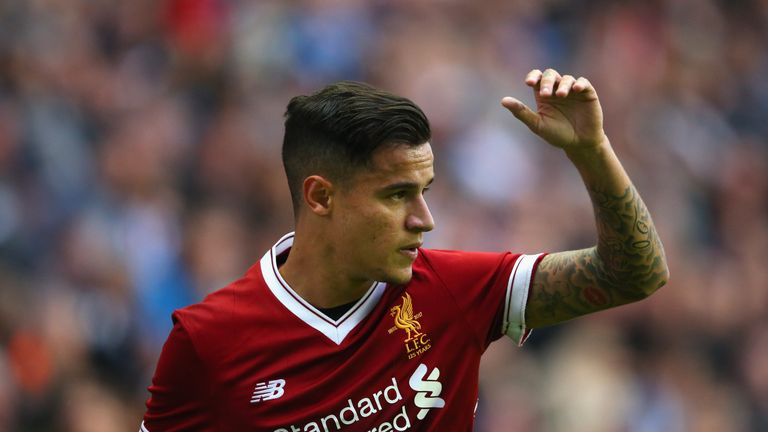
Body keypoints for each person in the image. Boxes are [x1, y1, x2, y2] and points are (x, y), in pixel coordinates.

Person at [139, 68, 669, 431]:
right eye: (397, 195)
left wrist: (592, 151)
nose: (425, 220)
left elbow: (635, 274)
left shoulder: (455, 291)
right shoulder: (208, 342)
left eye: (426, 191)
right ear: (321, 195)